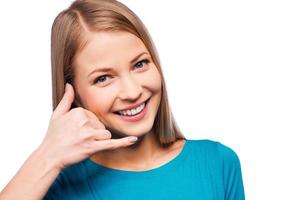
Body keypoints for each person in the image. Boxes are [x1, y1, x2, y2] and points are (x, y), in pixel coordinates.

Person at [0, 0, 245, 199]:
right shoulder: (54, 183)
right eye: (103, 78)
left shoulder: (217, 163)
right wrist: (48, 155)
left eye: (140, 64)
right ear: (73, 94)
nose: (132, 92)